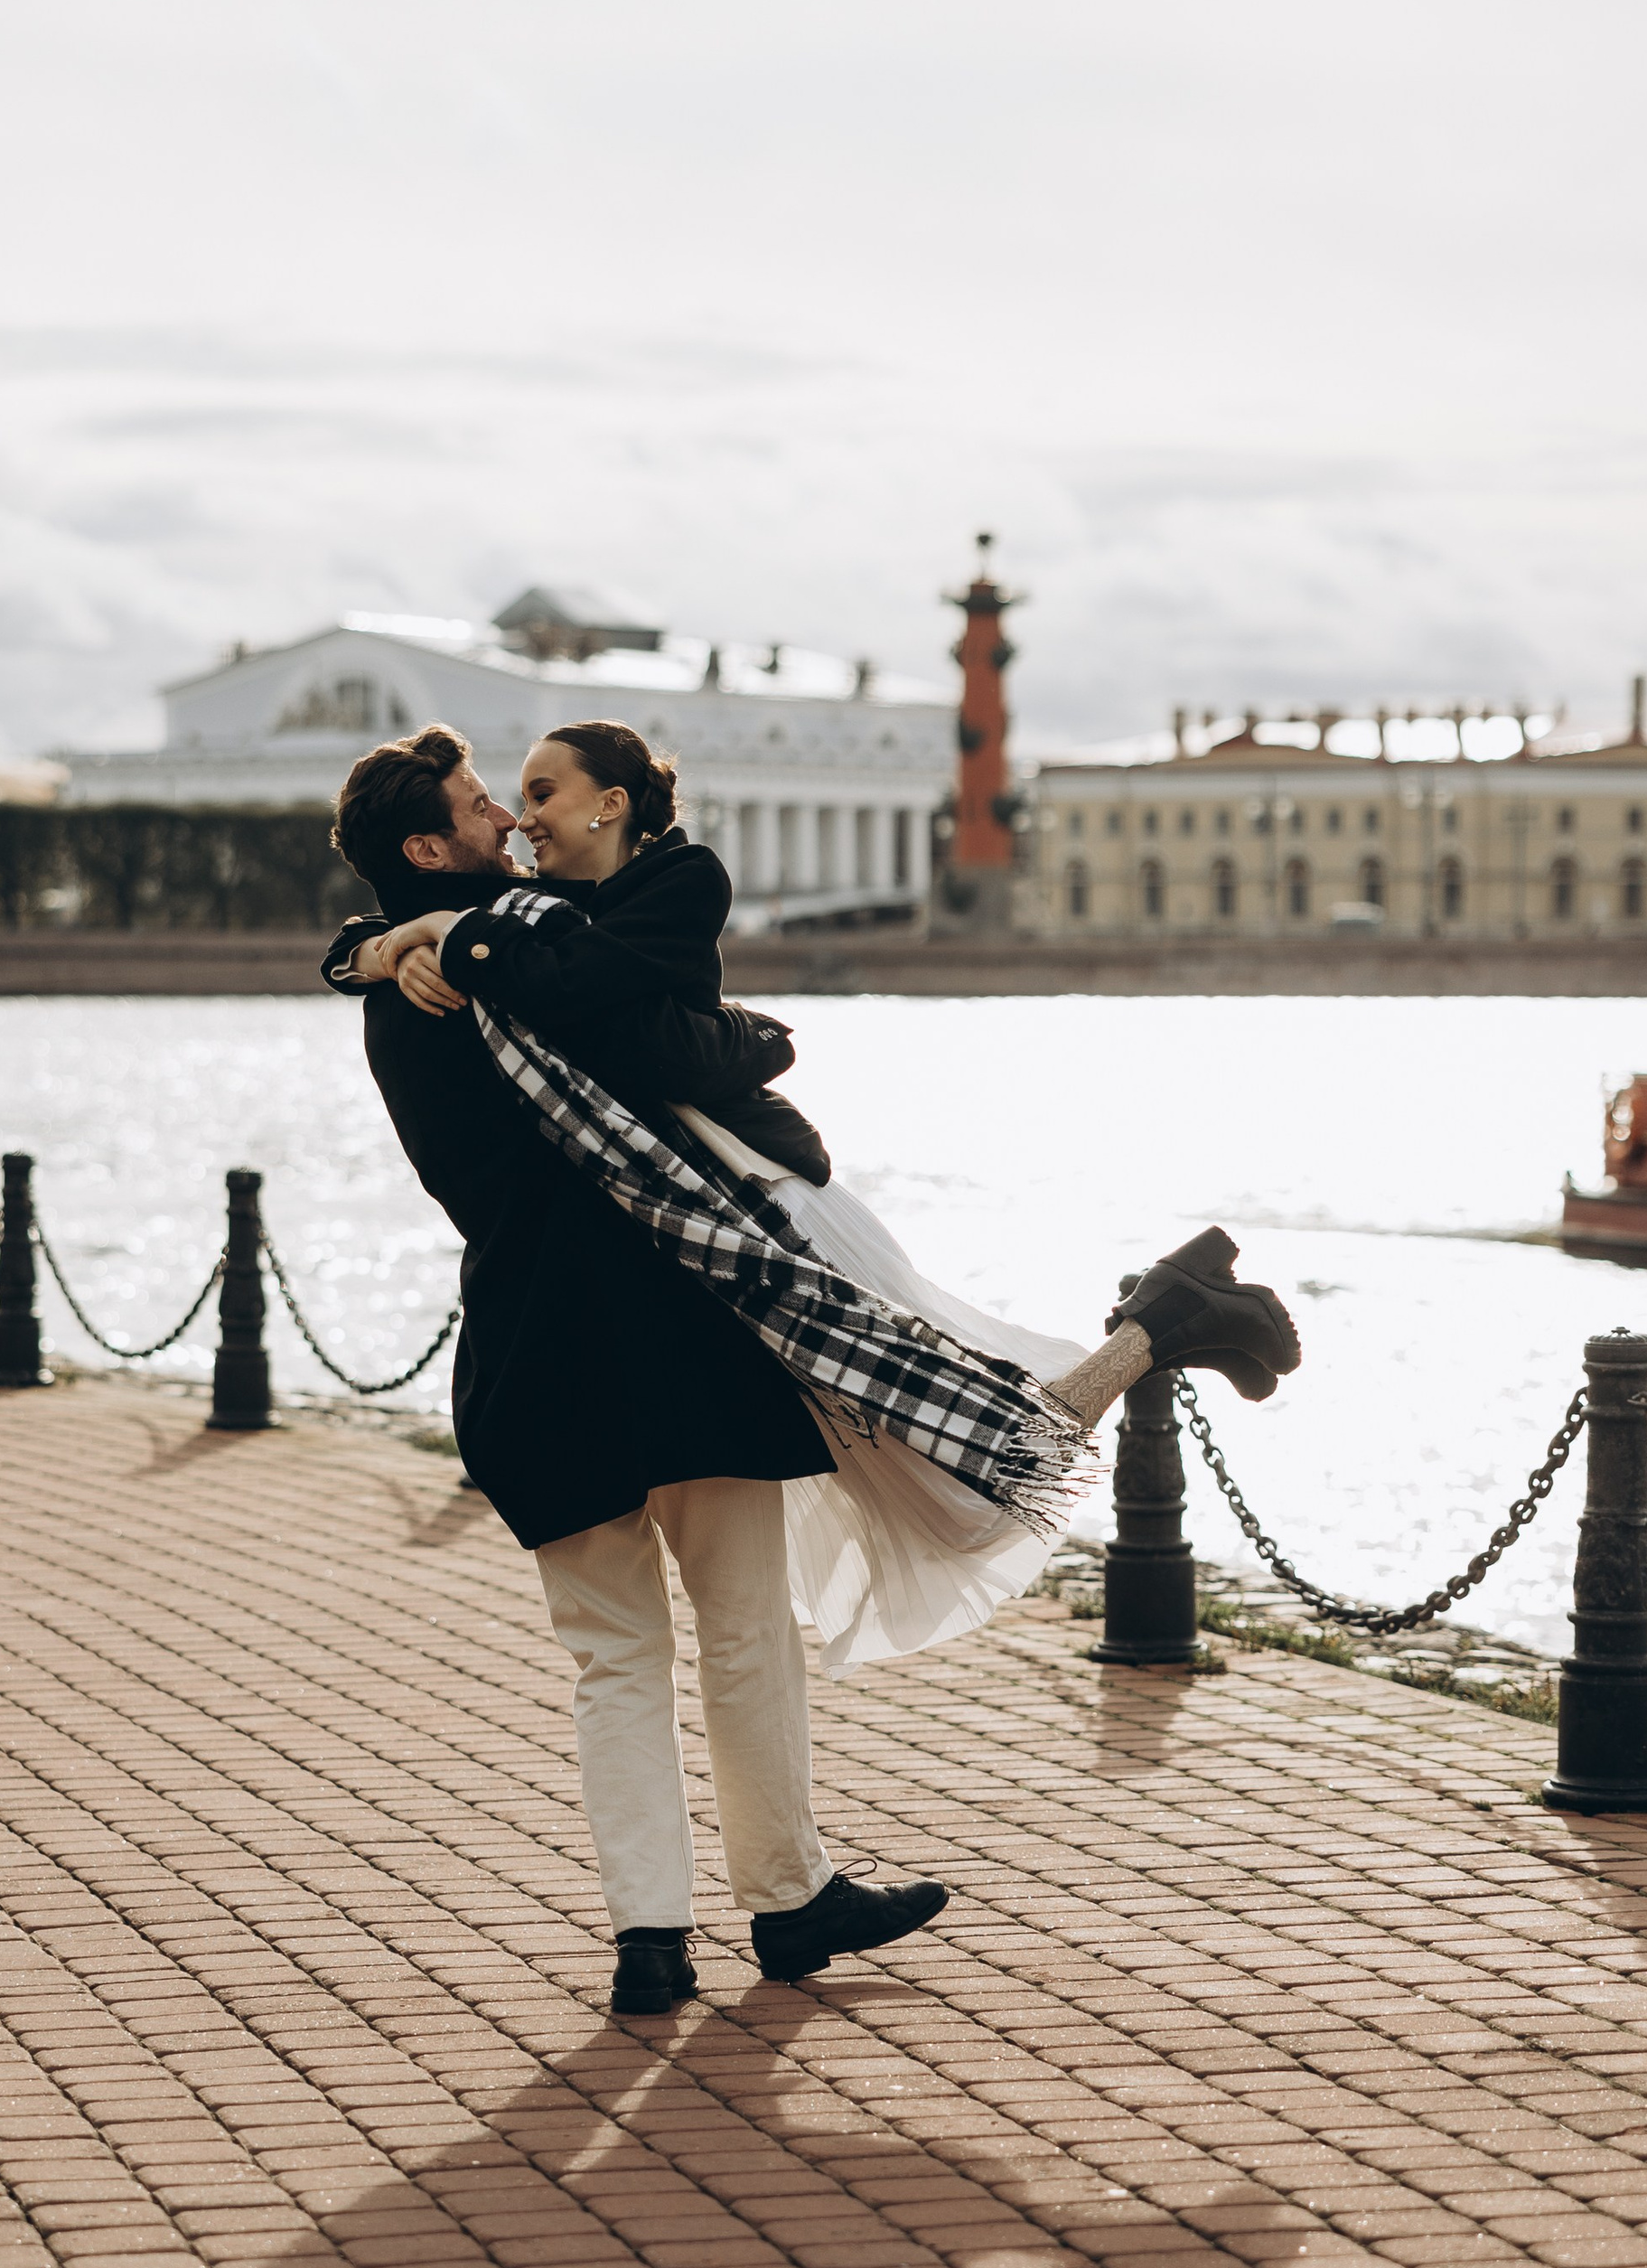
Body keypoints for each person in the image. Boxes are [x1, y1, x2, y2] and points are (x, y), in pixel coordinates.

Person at [328, 721, 1297, 2017]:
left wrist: (394, 940)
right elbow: (678, 1043)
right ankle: (786, 1901)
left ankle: (652, 1943)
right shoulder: (522, 952)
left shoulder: (407, 1004)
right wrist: (462, 943)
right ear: (429, 844)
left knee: (615, 1662)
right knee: (743, 1638)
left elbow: (586, 998)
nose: (506, 814)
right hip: (683, 1343)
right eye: (479, 802)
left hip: (535, 1368)